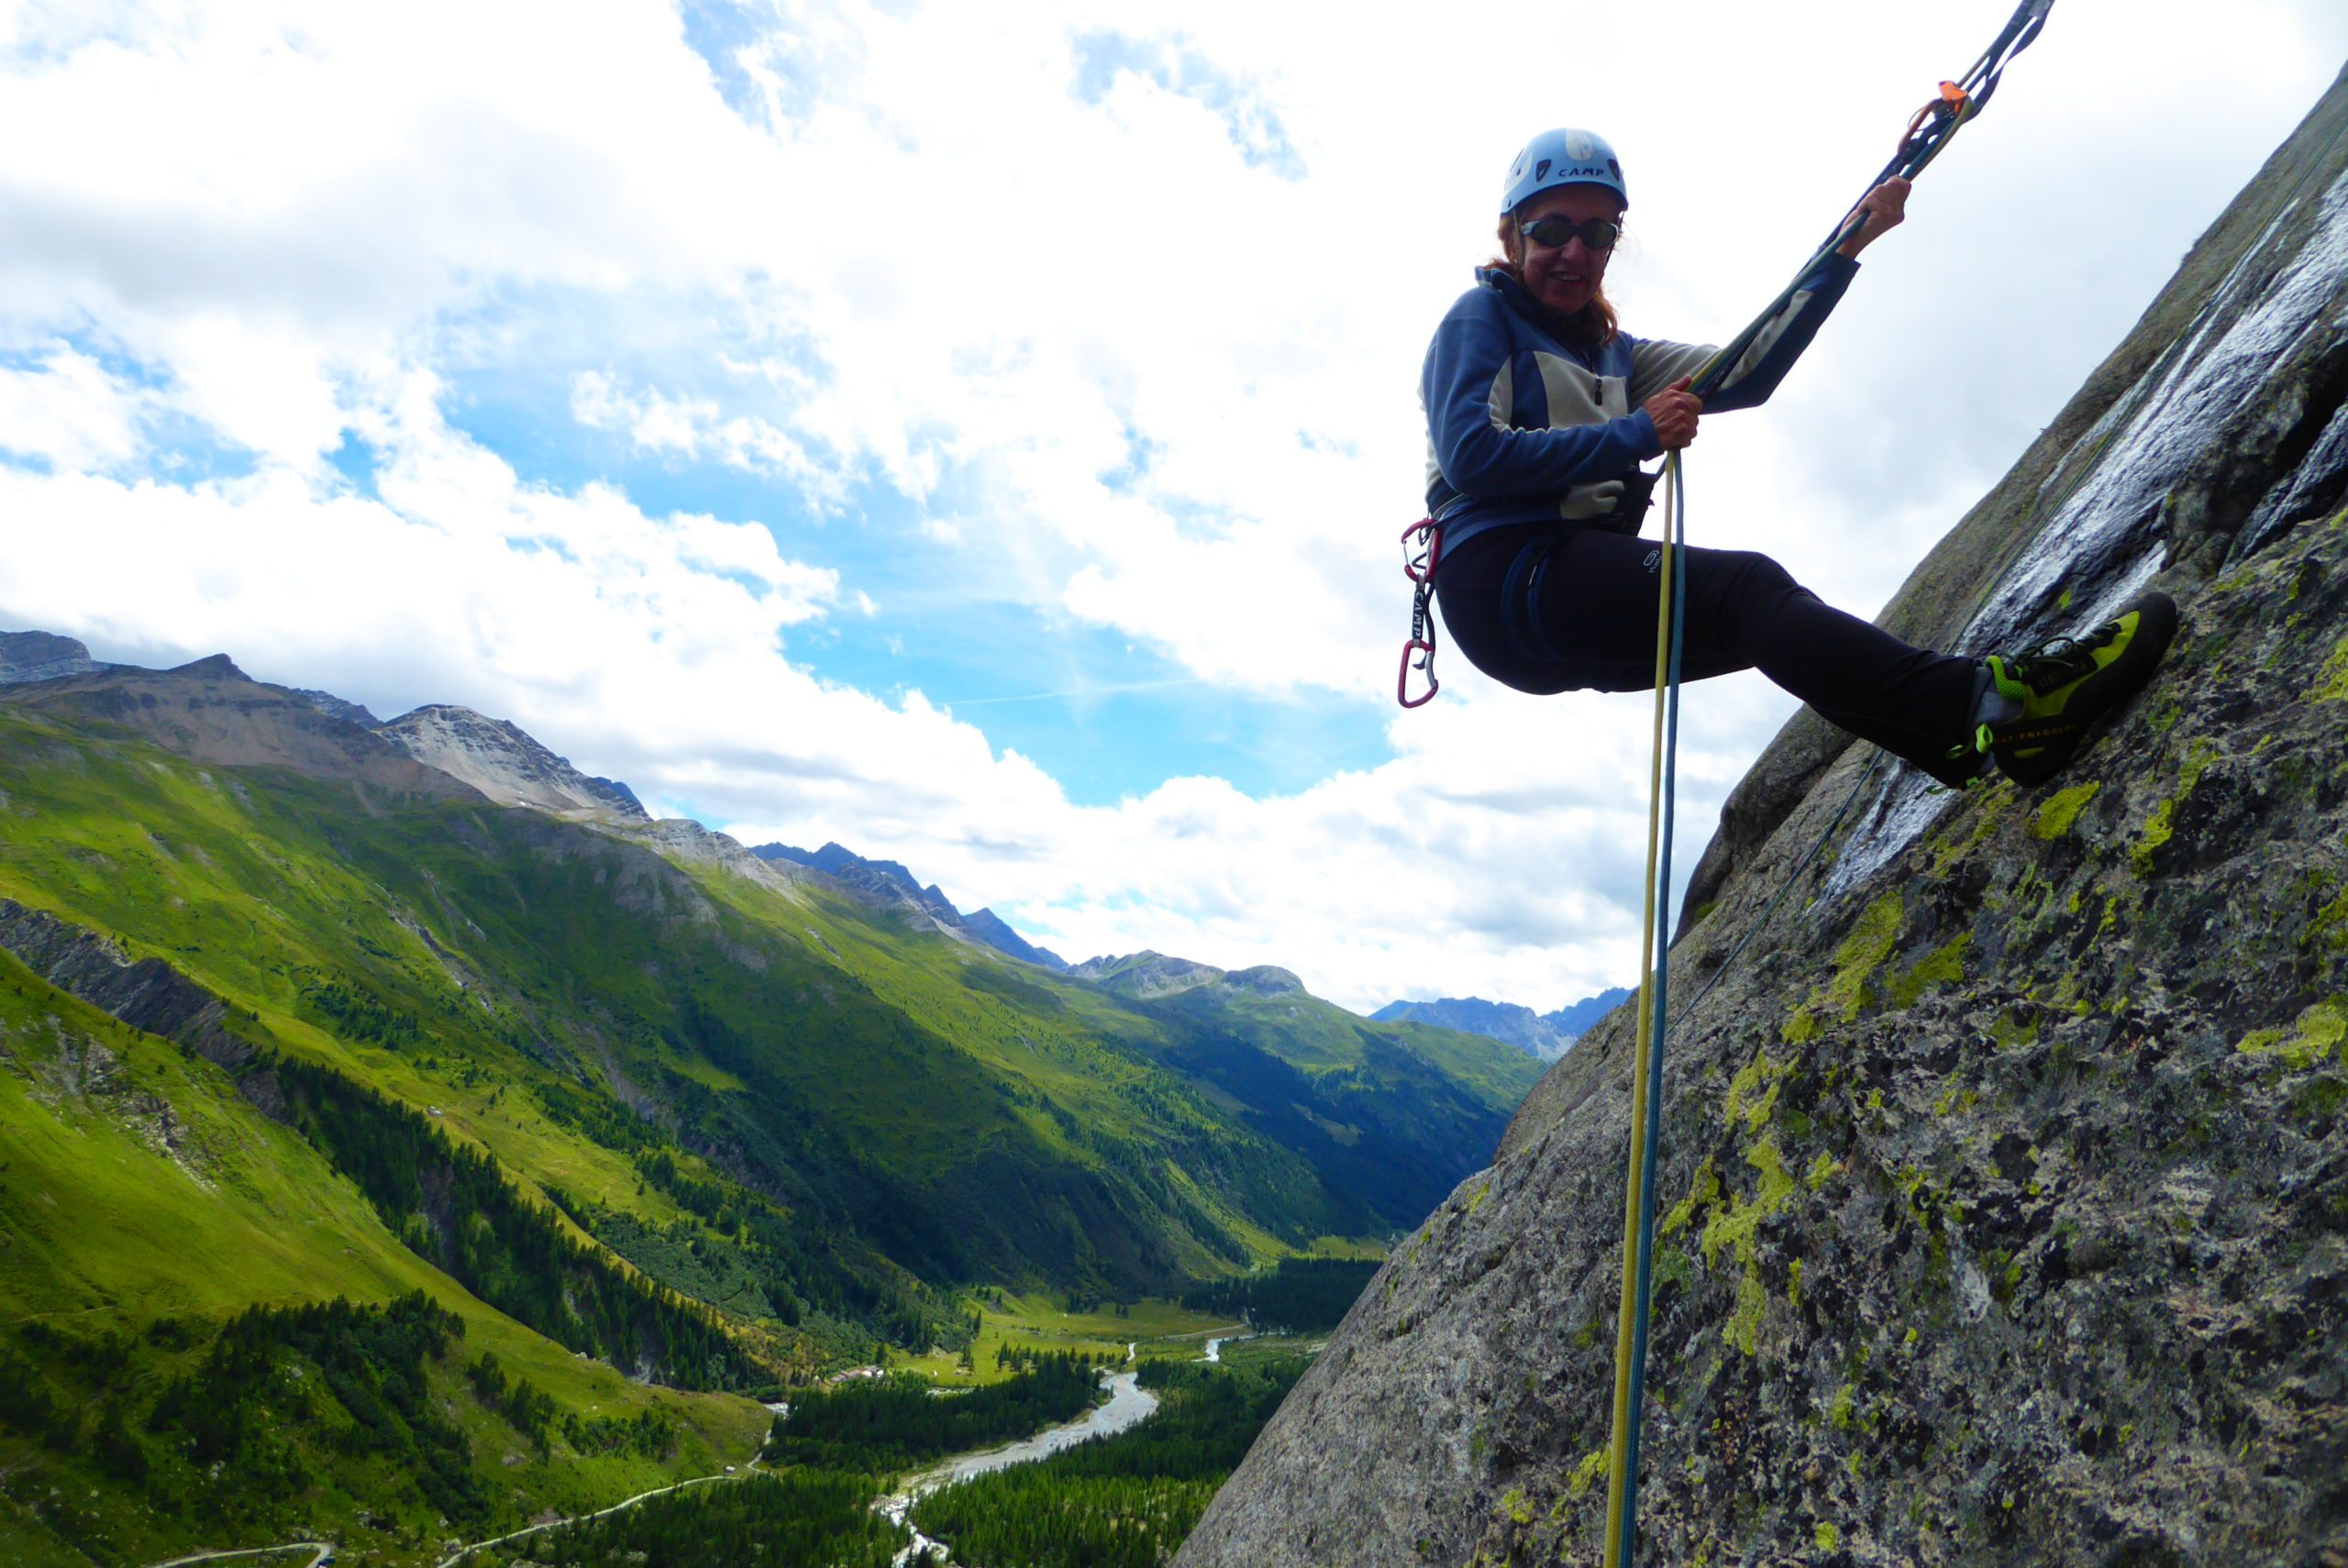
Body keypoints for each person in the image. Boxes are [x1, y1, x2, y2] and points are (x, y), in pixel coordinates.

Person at [1422, 127, 2175, 788]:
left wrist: (1846, 248)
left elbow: (1746, 369)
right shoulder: (1481, 318)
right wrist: (1638, 434)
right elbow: (1471, 456)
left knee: (1767, 617)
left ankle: (1964, 749)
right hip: (1502, 574)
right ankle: (1995, 707)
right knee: (1745, 591)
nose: (1575, 252)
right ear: (1513, 234)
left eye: (1599, 234)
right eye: (1553, 229)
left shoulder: (1613, 352)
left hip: (1543, 602)